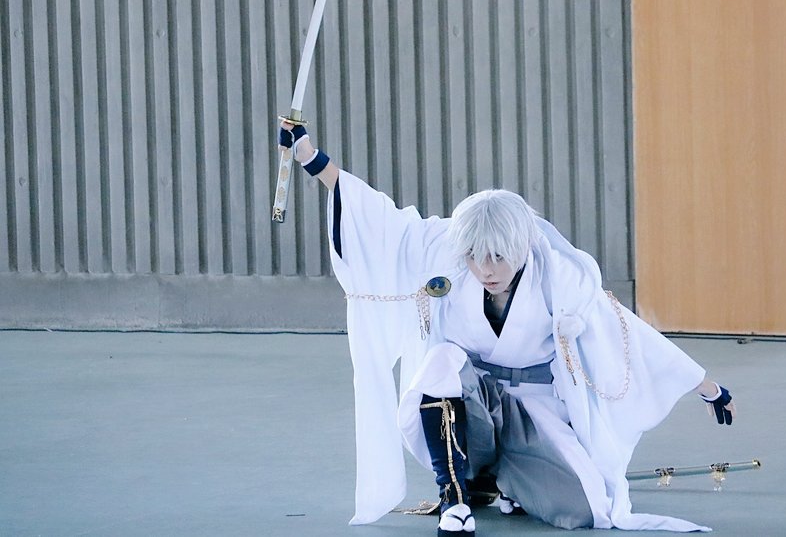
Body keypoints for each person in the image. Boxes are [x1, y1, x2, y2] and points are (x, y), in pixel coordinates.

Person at [279, 121, 736, 535]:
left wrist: (706, 386)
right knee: (440, 362)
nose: (486, 269)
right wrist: (311, 158)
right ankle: (455, 499)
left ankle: (509, 481)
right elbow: (383, 223)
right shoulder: (447, 254)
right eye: (476, 256)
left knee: (585, 510)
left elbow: (626, 332)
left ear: (522, 245)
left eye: (498, 256)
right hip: (473, 405)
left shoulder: (559, 278)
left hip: (535, 412)